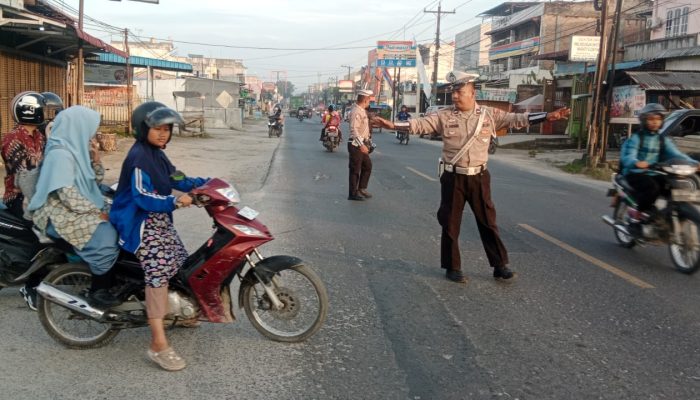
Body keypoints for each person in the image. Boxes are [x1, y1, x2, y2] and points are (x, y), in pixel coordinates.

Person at [375, 71, 571, 284]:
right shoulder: (444, 115)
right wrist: (393, 125)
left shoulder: (488, 115)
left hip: (479, 176)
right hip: (453, 177)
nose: (455, 97)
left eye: (459, 92)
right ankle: (452, 266)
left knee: (488, 222)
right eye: (454, 93)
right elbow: (419, 125)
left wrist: (547, 116)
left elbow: (517, 119)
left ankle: (499, 265)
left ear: (472, 93)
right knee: (450, 223)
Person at [110, 101, 208, 371]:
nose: (163, 133)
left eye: (167, 129)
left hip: (157, 219)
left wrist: (205, 183)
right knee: (158, 274)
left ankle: (178, 313)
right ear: (143, 129)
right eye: (157, 128)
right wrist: (177, 202)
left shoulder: (158, 154)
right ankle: (157, 343)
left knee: (181, 260)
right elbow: (143, 197)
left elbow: (176, 178)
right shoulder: (139, 157)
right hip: (138, 223)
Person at [28, 106, 121, 307]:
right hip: (56, 213)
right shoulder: (60, 154)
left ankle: (114, 277)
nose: (93, 135)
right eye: (90, 129)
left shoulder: (74, 149)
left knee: (118, 218)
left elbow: (93, 183)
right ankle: (99, 290)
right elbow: (67, 195)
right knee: (105, 235)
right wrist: (97, 214)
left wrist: (96, 161)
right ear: (77, 127)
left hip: (73, 206)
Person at [620, 103, 699, 229]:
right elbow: (629, 155)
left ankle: (668, 215)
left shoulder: (662, 140)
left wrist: (694, 163)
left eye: (658, 119)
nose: (654, 122)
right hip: (635, 173)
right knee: (653, 188)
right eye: (651, 119)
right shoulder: (637, 138)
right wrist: (636, 162)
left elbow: (676, 154)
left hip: (654, 172)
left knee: (671, 186)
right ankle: (637, 214)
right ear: (644, 120)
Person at [2, 91, 47, 219]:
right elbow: (24, 176)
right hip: (19, 197)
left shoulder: (39, 136)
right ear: (31, 111)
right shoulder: (12, 139)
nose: (44, 113)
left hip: (38, 192)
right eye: (41, 109)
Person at [347, 89, 376, 201]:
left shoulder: (362, 110)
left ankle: (361, 188)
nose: (370, 102)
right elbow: (354, 130)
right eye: (369, 100)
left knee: (367, 166)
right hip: (356, 145)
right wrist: (361, 145)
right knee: (355, 169)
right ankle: (353, 193)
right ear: (365, 100)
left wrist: (368, 142)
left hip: (362, 143)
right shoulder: (356, 111)